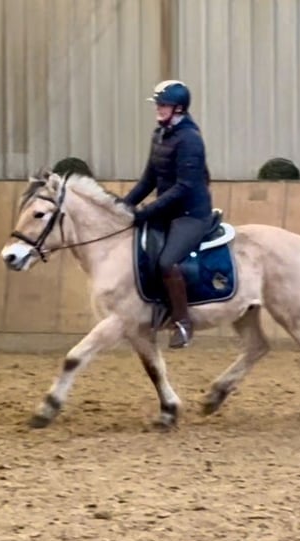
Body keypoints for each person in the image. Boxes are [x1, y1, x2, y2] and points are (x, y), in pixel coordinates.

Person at [122, 80, 214, 349]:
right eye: (158, 105)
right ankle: (157, 306)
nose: (158, 109)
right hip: (167, 210)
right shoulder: (160, 135)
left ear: (178, 108)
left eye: (163, 105)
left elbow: (184, 187)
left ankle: (183, 322)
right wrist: (122, 207)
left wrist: (147, 211)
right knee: (141, 252)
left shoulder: (190, 140)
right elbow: (148, 180)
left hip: (191, 214)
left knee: (166, 262)